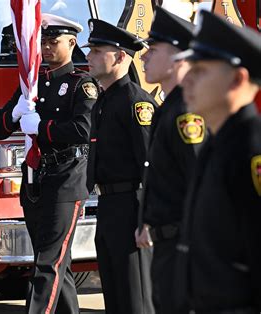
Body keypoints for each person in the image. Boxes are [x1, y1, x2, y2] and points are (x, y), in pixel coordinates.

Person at [0, 13, 99, 314]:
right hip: (35, 180)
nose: (47, 48)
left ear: (72, 43)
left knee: (48, 263)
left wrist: (43, 127)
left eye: (54, 41)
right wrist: (13, 115)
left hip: (66, 179)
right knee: (51, 263)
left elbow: (83, 130)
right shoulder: (32, 85)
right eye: (43, 42)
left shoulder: (81, 84)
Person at [173, 11, 261, 314]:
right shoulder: (216, 140)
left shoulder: (252, 149)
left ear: (238, 79)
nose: (186, 78)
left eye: (200, 70)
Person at [133, 7, 206, 314]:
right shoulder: (167, 108)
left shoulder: (186, 113)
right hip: (165, 243)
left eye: (153, 50)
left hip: (185, 246)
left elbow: (199, 183)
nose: (145, 57)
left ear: (178, 57)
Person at [84, 18, 157, 314]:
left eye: (97, 50)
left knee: (134, 295)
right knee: (114, 295)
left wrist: (148, 219)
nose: (88, 56)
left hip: (132, 206)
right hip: (110, 205)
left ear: (120, 56)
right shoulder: (104, 101)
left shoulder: (135, 102)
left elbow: (151, 164)